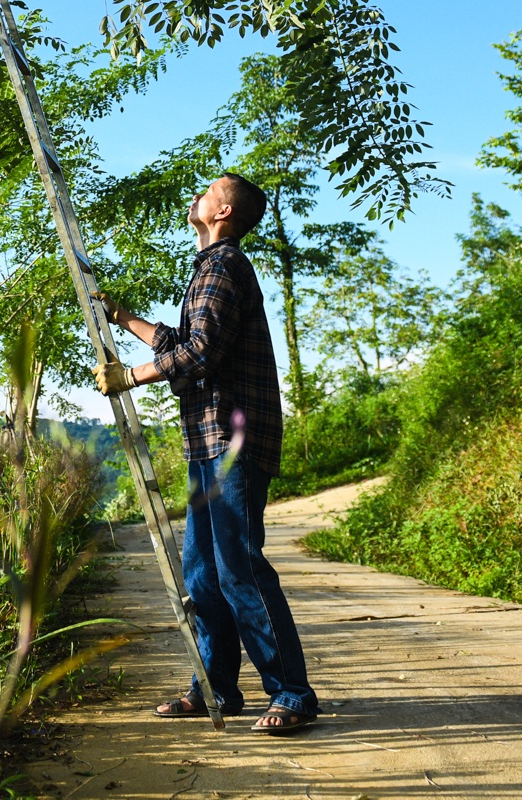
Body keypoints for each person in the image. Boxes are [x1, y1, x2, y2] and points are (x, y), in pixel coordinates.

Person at [96, 173, 319, 735]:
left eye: (209, 190)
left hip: (232, 441)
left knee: (239, 568)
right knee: (202, 573)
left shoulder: (225, 266)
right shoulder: (209, 268)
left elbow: (202, 353)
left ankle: (292, 693)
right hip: (206, 440)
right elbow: (186, 342)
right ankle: (216, 687)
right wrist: (124, 318)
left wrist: (131, 377)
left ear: (222, 212)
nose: (198, 194)